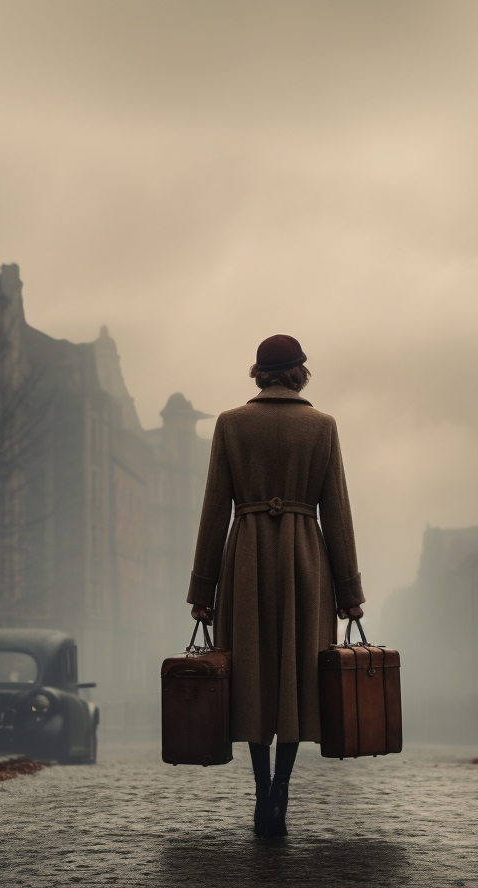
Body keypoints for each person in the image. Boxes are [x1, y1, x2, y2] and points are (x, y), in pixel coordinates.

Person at [187, 334, 365, 838]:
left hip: (244, 559)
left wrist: (203, 590)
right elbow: (338, 513)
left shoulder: (231, 424)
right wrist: (349, 590)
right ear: (300, 373)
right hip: (306, 560)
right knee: (295, 675)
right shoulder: (323, 426)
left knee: (251, 675)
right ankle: (282, 789)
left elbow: (213, 509)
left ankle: (261, 787)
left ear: (259, 373)